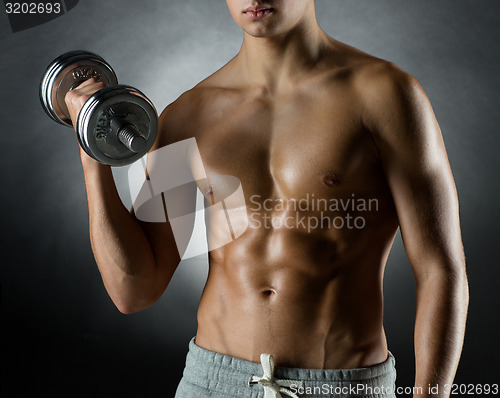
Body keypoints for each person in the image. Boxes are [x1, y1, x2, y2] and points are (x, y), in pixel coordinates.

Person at [65, 1, 469, 397]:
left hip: (341, 387)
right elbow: (135, 291)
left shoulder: (383, 96)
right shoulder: (190, 115)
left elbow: (440, 270)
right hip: (212, 383)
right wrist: (92, 156)